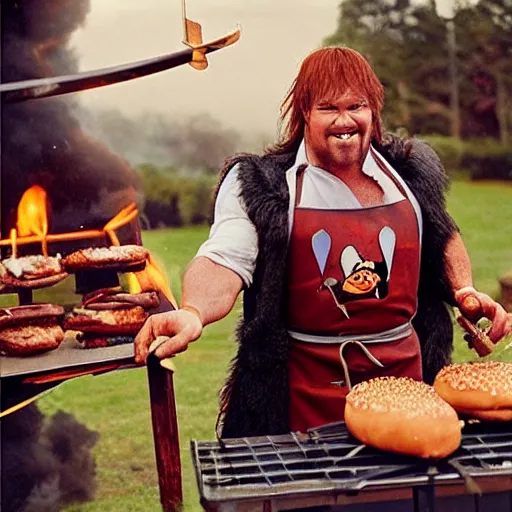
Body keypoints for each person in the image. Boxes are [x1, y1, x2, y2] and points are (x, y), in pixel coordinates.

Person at [135, 47, 511, 438]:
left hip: (409, 385)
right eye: (329, 108)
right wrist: (194, 311)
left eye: (357, 106)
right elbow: (224, 257)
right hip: (305, 394)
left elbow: (442, 235)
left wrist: (465, 290)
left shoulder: (408, 172)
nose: (345, 120)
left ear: (373, 110)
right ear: (304, 113)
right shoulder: (263, 184)